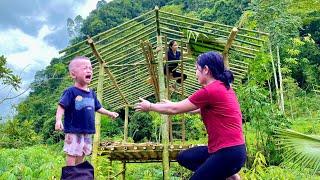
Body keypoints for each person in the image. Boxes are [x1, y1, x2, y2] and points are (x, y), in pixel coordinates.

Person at [134, 51, 246, 180]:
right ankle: (230, 175)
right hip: (232, 151)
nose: (195, 73)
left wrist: (150, 106)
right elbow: (192, 109)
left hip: (227, 153)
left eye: (196, 69)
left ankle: (225, 172)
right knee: (185, 157)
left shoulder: (210, 90)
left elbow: (174, 109)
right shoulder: (224, 88)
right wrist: (174, 104)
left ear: (206, 70)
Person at [55, 56, 119, 166]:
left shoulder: (92, 93)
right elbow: (61, 106)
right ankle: (70, 174)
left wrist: (110, 113)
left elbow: (98, 107)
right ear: (73, 74)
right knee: (72, 153)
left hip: (87, 131)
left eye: (90, 68)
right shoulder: (70, 92)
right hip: (74, 130)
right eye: (85, 68)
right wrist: (58, 120)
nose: (89, 70)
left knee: (82, 153)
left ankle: (78, 175)